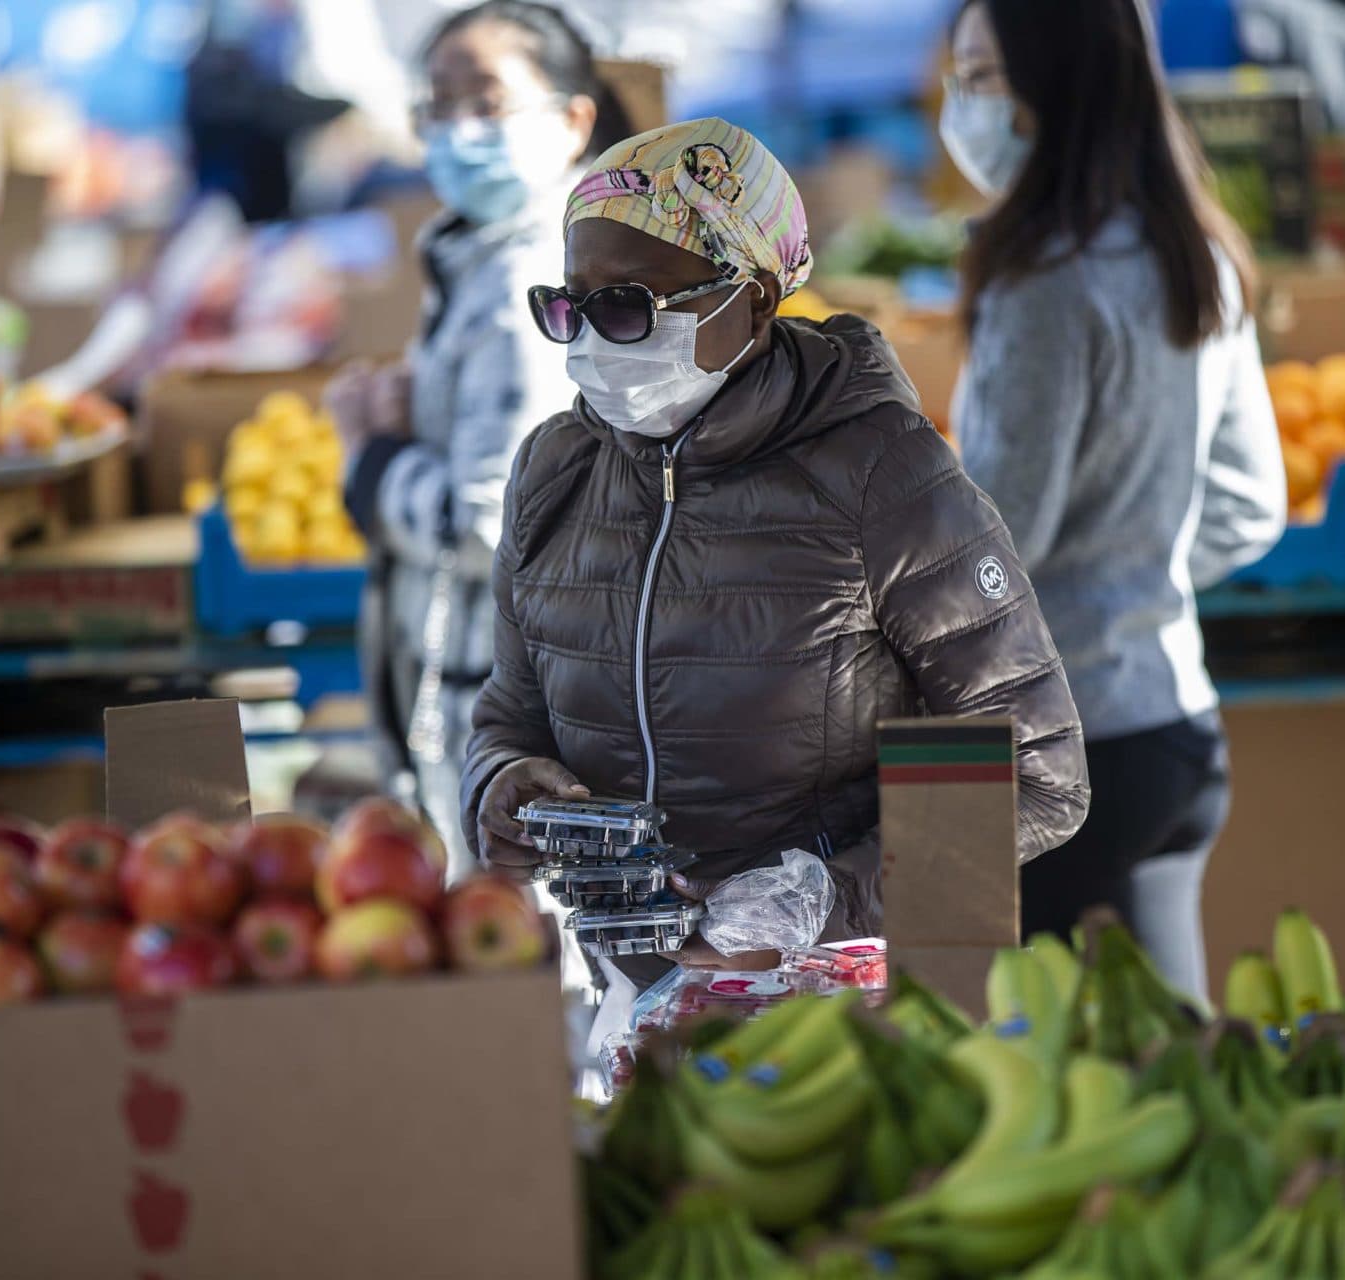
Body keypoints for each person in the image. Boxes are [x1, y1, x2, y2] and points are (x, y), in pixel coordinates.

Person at [461, 118, 1090, 980]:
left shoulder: (881, 475)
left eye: (627, 306)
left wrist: (826, 896)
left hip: (841, 992)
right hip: (625, 987)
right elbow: (508, 714)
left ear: (751, 298)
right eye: (568, 306)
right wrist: (499, 785)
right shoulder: (552, 470)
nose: (592, 340)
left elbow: (1038, 774)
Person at [941, 0, 1286, 998]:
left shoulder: (1045, 280)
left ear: (1055, 85)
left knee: (1041, 1085)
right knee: (1166, 1088)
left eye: (980, 80)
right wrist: (1132, 575)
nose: (959, 109)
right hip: (1174, 729)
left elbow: (993, 545)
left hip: (1056, 758)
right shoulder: (1195, 250)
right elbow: (1248, 503)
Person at [332, 1, 629, 872]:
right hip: (489, 692)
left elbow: (494, 522)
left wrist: (372, 455)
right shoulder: (489, 256)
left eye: (488, 101)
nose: (459, 129)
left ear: (574, 119)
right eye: (439, 104)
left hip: (494, 701)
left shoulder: (522, 280)